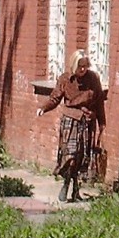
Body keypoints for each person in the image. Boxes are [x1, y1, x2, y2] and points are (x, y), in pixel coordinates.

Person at [37, 49, 105, 201]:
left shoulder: (93, 79)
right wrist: (44, 108)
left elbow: (99, 102)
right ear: (74, 65)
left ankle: (75, 189)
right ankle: (66, 183)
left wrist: (102, 122)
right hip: (70, 120)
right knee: (70, 155)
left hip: (87, 121)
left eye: (85, 66)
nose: (83, 69)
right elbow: (55, 98)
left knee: (82, 157)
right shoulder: (65, 79)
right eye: (80, 66)